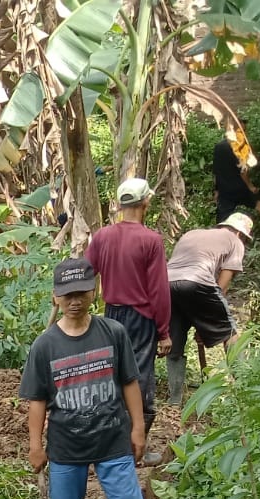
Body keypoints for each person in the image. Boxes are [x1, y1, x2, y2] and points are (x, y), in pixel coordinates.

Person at [21, 258, 148, 499]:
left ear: (95, 292)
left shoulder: (113, 333)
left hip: (112, 437)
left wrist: (138, 427)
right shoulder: (44, 345)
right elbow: (36, 400)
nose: (74, 301)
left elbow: (129, 382)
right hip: (66, 443)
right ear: (55, 297)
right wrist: (35, 445)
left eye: (81, 293)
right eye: (67, 295)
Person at [85, 177, 172, 465]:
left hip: (112, 314)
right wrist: (163, 331)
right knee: (138, 377)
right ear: (146, 202)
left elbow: (87, 274)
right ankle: (136, 448)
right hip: (140, 316)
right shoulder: (151, 240)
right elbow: (158, 290)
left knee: (113, 375)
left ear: (120, 205)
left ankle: (109, 443)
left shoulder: (102, 237)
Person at [164, 213, 253, 409]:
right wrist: (207, 319)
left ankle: (174, 400)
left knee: (175, 341)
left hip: (167, 284)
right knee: (229, 333)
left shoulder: (192, 234)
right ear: (241, 234)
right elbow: (222, 285)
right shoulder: (235, 242)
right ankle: (242, 387)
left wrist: (201, 321)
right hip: (199, 282)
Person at [213, 134, 260, 233]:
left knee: (222, 217)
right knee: (257, 204)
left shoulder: (218, 147)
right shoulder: (237, 146)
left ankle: (219, 235)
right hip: (238, 186)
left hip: (224, 188)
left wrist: (216, 190)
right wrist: (250, 186)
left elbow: (215, 171)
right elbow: (243, 171)